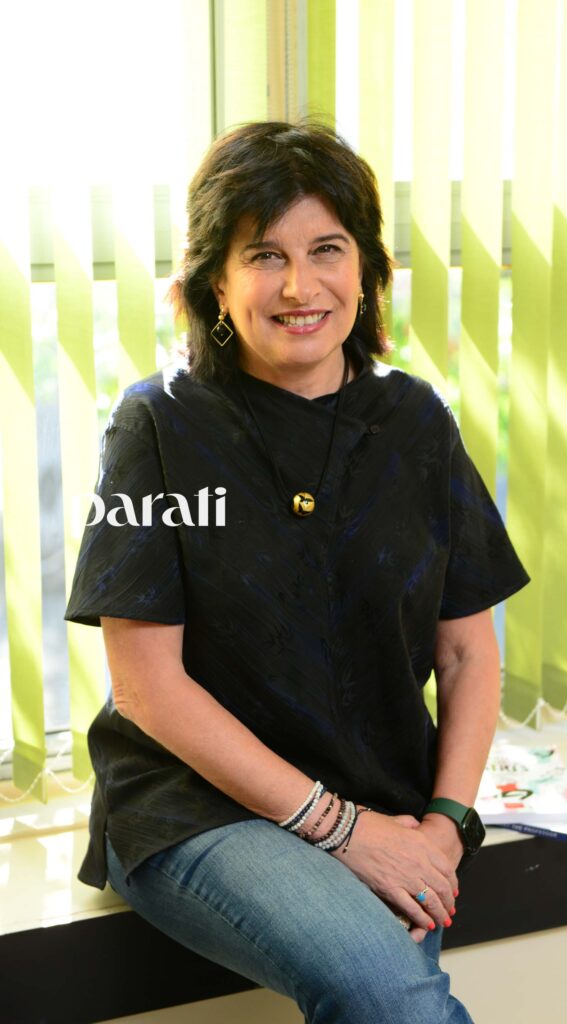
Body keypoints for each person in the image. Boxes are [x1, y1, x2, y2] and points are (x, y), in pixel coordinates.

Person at [66, 120, 529, 1024]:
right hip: (196, 809)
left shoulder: (415, 423)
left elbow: (467, 652)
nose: (298, 285)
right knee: (386, 994)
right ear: (216, 280)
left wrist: (444, 825)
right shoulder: (155, 424)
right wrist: (343, 832)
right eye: (264, 255)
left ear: (366, 269)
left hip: (386, 806)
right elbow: (147, 687)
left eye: (327, 249)